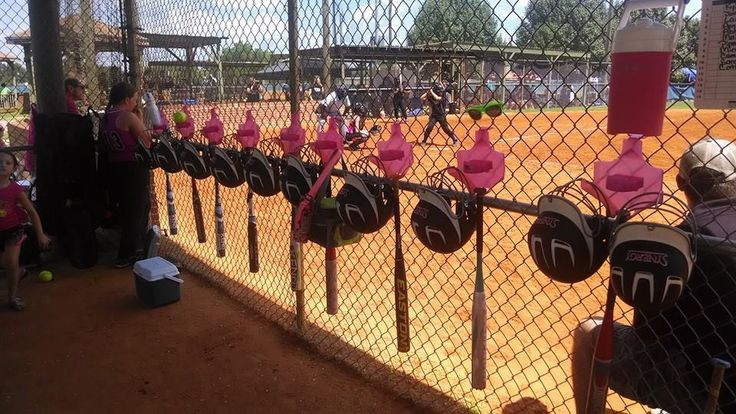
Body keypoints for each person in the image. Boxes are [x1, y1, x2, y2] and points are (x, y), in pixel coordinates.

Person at [571, 136, 736, 414]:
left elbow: (649, 333)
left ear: (680, 183)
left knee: (588, 332)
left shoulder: (679, 243)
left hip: (703, 392)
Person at [99, 82, 152, 268]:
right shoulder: (127, 116)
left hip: (115, 169)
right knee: (137, 211)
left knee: (130, 210)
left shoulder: (105, 117)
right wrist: (141, 118)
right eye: (135, 99)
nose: (136, 102)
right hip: (134, 168)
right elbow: (146, 142)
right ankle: (128, 255)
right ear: (127, 99)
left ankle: (135, 249)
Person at [0, 150, 51, 310]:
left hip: (12, 230)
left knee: (12, 264)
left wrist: (40, 234)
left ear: (14, 168)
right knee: (5, 264)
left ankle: (12, 298)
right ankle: (20, 272)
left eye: (7, 163)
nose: (2, 165)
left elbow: (32, 212)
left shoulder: (15, 189)